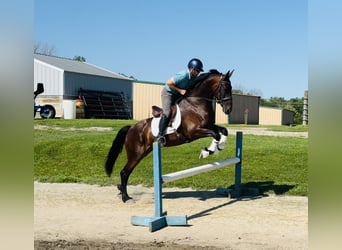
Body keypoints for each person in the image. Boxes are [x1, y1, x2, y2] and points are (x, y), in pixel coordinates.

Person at [156, 58, 204, 145]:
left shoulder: (193, 77)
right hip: (168, 93)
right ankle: (160, 135)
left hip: (178, 94)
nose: (198, 73)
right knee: (167, 112)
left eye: (199, 71)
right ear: (191, 69)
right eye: (197, 71)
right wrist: (180, 90)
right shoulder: (183, 75)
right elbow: (169, 83)